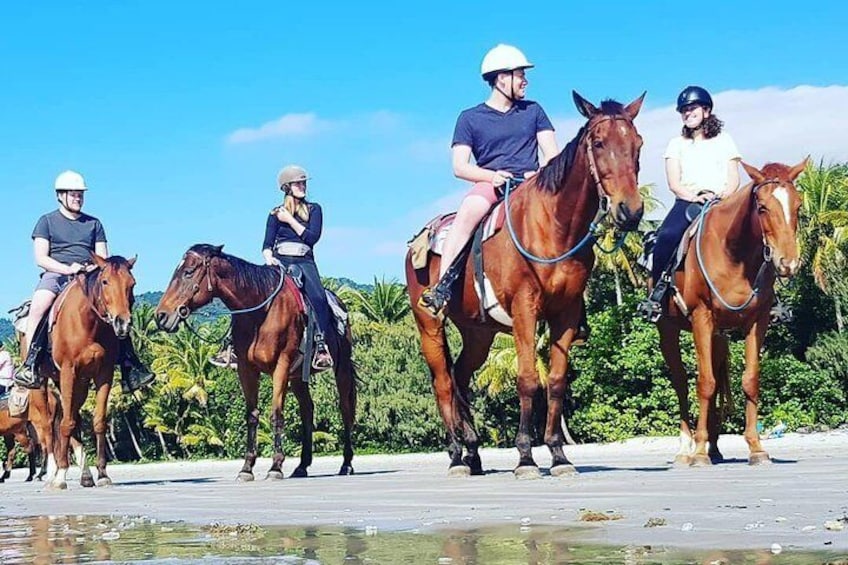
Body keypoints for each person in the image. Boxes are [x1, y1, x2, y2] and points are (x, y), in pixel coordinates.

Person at [14, 170, 155, 393]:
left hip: (90, 276)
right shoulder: (46, 222)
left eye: (80, 194)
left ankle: (130, 364)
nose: (78, 198)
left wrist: (91, 269)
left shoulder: (94, 224)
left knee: (120, 305)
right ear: (60, 196)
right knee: (40, 305)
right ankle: (31, 362)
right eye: (73, 194)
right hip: (57, 274)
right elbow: (41, 258)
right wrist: (67, 268)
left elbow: (104, 258)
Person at [210, 165, 335, 371]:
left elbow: (312, 238)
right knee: (247, 294)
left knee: (318, 297)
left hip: (304, 262)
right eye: (298, 183)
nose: (302, 186)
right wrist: (268, 257)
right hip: (279, 261)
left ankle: (321, 347)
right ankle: (231, 346)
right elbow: (267, 244)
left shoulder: (315, 209)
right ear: (287, 187)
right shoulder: (274, 214)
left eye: (303, 183)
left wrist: (290, 220)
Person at [639, 86, 741, 317]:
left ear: (706, 110)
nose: (687, 113)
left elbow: (734, 177)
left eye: (692, 108)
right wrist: (694, 197)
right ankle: (657, 295)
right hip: (688, 202)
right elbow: (674, 182)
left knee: (755, 234)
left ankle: (771, 298)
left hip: (723, 202)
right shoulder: (676, 144)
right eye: (684, 110)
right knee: (666, 237)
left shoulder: (725, 141)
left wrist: (722, 197)